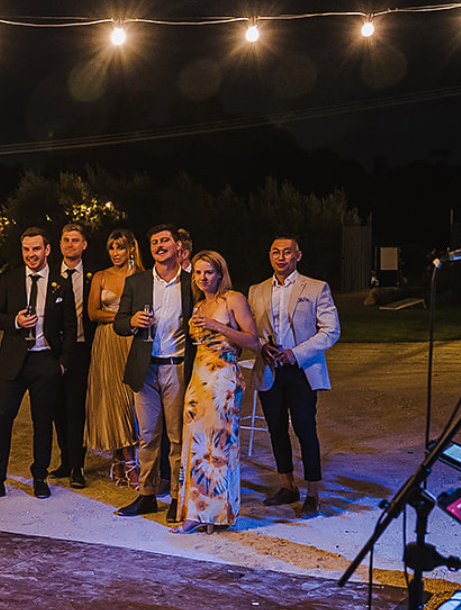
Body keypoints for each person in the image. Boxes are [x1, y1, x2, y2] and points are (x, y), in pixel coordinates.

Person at [248, 236, 341, 517]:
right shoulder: (256, 290)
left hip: (301, 370)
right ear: (269, 255)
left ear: (297, 256)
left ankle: (312, 493)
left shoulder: (315, 288)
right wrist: (261, 346)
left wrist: (296, 353)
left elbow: (331, 331)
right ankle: (287, 486)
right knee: (275, 428)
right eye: (275, 252)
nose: (280, 257)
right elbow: (249, 329)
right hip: (269, 368)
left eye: (287, 252)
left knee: (304, 428)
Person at [0, 228, 72, 500]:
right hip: (13, 363)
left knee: (42, 423)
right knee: (1, 421)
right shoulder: (9, 279)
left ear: (47, 250)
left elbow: (70, 325)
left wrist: (63, 362)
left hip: (46, 361)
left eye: (36, 249)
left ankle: (40, 477)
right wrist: (16, 321)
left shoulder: (60, 283)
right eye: (26, 249)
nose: (31, 254)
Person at [113, 225, 195, 519]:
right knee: (147, 436)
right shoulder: (136, 283)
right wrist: (133, 320)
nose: (160, 245)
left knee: (176, 438)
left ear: (177, 247)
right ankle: (146, 495)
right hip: (145, 369)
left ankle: (176, 497)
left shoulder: (190, 283)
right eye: (154, 242)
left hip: (178, 367)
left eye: (165, 241)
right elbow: (119, 323)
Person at [175, 251, 260, 532]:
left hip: (223, 379)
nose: (202, 278)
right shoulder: (198, 305)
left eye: (208, 272)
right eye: (198, 273)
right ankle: (194, 513)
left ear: (220, 274)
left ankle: (218, 514)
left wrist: (217, 326)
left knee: (219, 449)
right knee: (196, 447)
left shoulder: (232, 299)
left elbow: (253, 341)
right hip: (197, 380)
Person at [84, 229, 142, 485]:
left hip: (133, 341)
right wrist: (122, 318)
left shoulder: (142, 276)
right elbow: (93, 312)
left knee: (132, 401)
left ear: (131, 248)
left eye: (121, 247)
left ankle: (120, 461)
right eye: (111, 248)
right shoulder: (100, 276)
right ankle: (129, 463)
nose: (116, 253)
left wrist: (129, 321)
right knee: (113, 401)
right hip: (107, 341)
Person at [51, 222, 96, 487]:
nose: (70, 244)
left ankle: (78, 465)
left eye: (75, 240)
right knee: (57, 407)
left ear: (84, 244)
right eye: (66, 240)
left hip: (81, 348)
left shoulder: (92, 275)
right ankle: (65, 460)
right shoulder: (50, 274)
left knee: (76, 407)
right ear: (59, 244)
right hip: (54, 350)